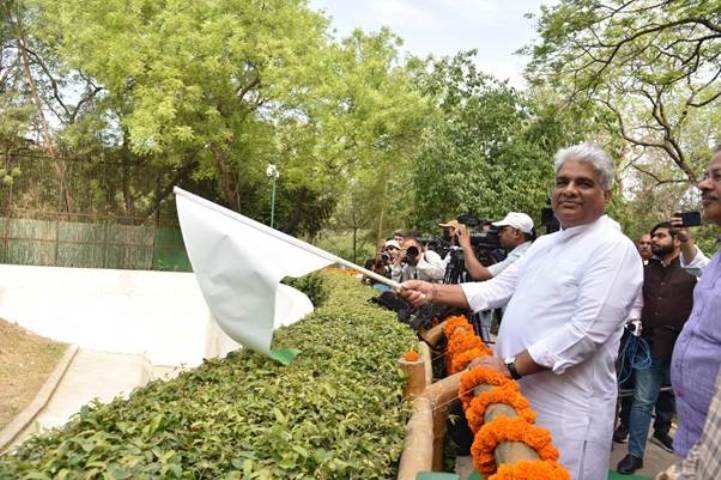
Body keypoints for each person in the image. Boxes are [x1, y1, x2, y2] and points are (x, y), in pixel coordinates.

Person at [399, 143, 643, 479]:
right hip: (518, 395)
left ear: (606, 196)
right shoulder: (546, 244)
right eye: (562, 182)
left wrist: (510, 366)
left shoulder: (613, 249)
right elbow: (495, 289)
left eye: (583, 183)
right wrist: (432, 290)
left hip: (567, 410)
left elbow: (586, 333)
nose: (569, 190)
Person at [617, 222, 698, 474]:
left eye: (660, 236)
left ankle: (691, 462)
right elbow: (634, 302)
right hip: (649, 347)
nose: (653, 240)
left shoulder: (693, 269)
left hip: (684, 351)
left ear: (676, 241)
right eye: (652, 236)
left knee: (690, 405)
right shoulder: (645, 271)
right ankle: (635, 454)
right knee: (642, 401)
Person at [670, 146, 721, 458]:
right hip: (694, 442)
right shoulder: (716, 260)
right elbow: (697, 265)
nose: (703, 185)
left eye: (718, 177)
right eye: (705, 176)